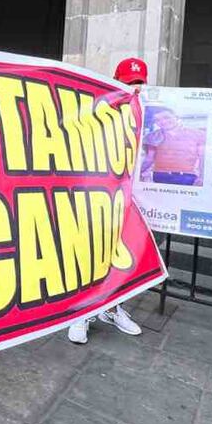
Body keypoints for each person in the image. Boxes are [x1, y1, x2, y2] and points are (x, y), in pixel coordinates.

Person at [68, 58, 147, 344]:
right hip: (104, 199)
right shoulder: (102, 110)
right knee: (94, 257)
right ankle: (83, 314)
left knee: (127, 260)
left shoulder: (148, 112)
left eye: (138, 84)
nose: (134, 89)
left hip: (134, 201)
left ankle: (113, 309)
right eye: (128, 84)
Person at [142, 106, 206, 186]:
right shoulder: (152, 137)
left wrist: (202, 177)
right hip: (159, 176)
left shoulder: (198, 134)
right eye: (157, 120)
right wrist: (138, 173)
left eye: (166, 117)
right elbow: (149, 159)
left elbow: (202, 158)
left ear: (176, 117)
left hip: (187, 177)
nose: (163, 122)